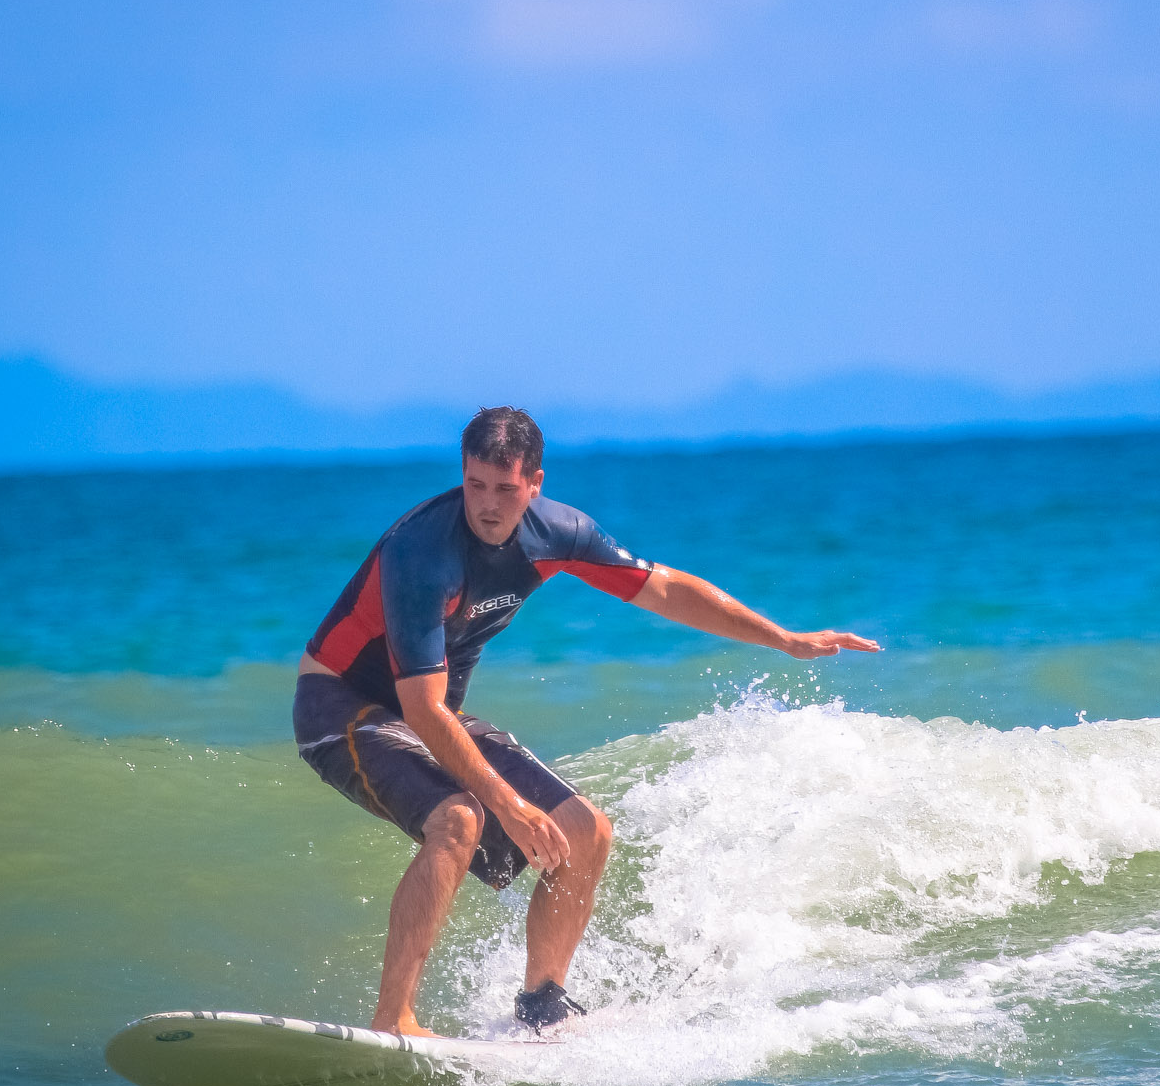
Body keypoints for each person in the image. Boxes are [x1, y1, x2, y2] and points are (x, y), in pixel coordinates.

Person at [293, 406, 879, 1037]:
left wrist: (783, 639)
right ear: (462, 475)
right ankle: (394, 1017)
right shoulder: (420, 553)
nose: (488, 505)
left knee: (585, 830)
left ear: (535, 483)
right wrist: (509, 806)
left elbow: (662, 587)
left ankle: (542, 1003)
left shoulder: (555, 533)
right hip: (342, 705)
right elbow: (422, 710)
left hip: (432, 711)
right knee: (460, 819)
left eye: (506, 488)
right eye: (476, 485)